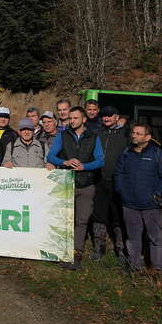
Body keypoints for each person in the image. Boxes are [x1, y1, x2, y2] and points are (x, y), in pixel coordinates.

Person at [47, 106, 105, 271]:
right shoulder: (62, 135)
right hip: (66, 184)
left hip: (86, 185)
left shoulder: (94, 137)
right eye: (70, 118)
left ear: (84, 119)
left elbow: (101, 161)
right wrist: (64, 162)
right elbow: (51, 156)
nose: (71, 121)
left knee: (81, 221)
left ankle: (76, 254)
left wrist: (84, 167)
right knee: (64, 220)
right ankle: (61, 252)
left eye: (75, 118)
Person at [114, 123, 162, 275]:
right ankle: (133, 266)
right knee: (132, 237)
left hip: (151, 204)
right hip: (129, 204)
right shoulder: (126, 153)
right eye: (133, 133)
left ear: (148, 137)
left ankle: (158, 268)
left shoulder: (158, 154)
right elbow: (118, 172)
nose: (134, 135)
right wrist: (121, 190)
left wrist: (157, 192)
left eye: (138, 133)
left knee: (156, 238)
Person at [92, 105, 130, 263]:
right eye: (104, 116)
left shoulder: (126, 134)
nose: (106, 118)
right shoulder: (97, 133)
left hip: (117, 181)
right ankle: (98, 247)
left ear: (117, 116)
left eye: (110, 116)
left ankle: (120, 249)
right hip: (98, 180)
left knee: (117, 216)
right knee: (98, 215)